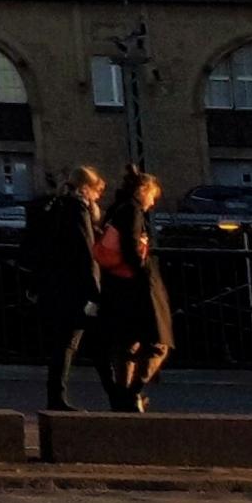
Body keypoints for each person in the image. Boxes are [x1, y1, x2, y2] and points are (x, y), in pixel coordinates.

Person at [21, 166, 108, 410]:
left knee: (67, 344)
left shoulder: (56, 206)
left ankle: (60, 396)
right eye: (97, 192)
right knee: (69, 344)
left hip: (53, 285)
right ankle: (59, 397)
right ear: (86, 189)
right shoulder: (77, 210)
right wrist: (95, 292)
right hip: (74, 289)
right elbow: (86, 253)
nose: (98, 198)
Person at [95, 171, 176, 411]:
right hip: (136, 287)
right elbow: (131, 248)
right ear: (143, 191)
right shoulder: (132, 211)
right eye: (153, 195)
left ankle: (124, 397)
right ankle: (133, 392)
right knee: (158, 343)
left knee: (126, 344)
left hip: (117, 285)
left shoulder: (117, 209)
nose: (153, 202)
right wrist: (143, 271)